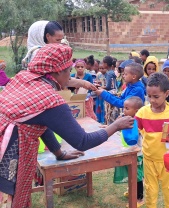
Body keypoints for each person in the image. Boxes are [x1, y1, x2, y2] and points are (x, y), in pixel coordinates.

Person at [0, 44, 134, 207]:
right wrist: (116, 126)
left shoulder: (24, 79)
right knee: (8, 197)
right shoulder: (51, 99)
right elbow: (83, 141)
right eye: (67, 71)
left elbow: (40, 122)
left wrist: (59, 153)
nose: (69, 76)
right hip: (9, 152)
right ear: (57, 72)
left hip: (7, 140)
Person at [135, 72, 169, 208]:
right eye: (149, 96)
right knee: (150, 189)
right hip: (149, 159)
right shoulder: (142, 113)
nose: (152, 100)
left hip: (168, 159)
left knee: (168, 189)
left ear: (166, 94)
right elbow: (133, 131)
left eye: (156, 96)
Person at [22, 20, 96, 91]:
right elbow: (60, 78)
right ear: (47, 36)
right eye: (57, 40)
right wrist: (82, 83)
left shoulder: (41, 53)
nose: (60, 43)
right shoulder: (41, 55)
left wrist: (84, 83)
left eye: (61, 40)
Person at [113, 96, 145, 207]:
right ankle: (132, 191)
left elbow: (136, 137)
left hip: (137, 153)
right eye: (124, 108)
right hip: (128, 152)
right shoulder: (126, 120)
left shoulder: (138, 122)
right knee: (130, 174)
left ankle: (140, 197)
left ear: (136, 111)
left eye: (127, 108)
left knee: (137, 176)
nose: (124, 111)